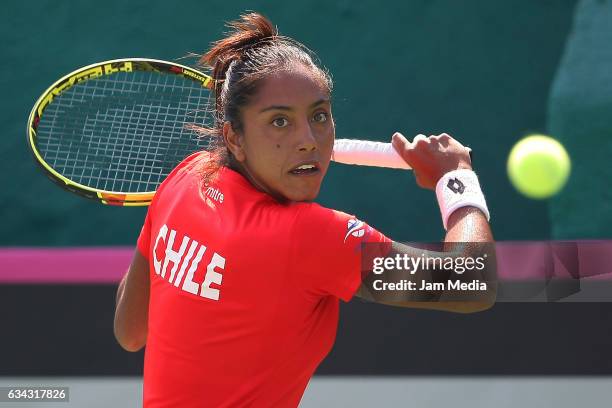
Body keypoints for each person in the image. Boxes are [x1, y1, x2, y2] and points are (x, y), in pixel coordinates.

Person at [114, 12, 495, 408]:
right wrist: (456, 178)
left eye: (319, 116)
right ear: (234, 137)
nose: (308, 141)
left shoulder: (184, 179)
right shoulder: (310, 236)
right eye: (280, 121)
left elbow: (130, 331)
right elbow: (470, 284)